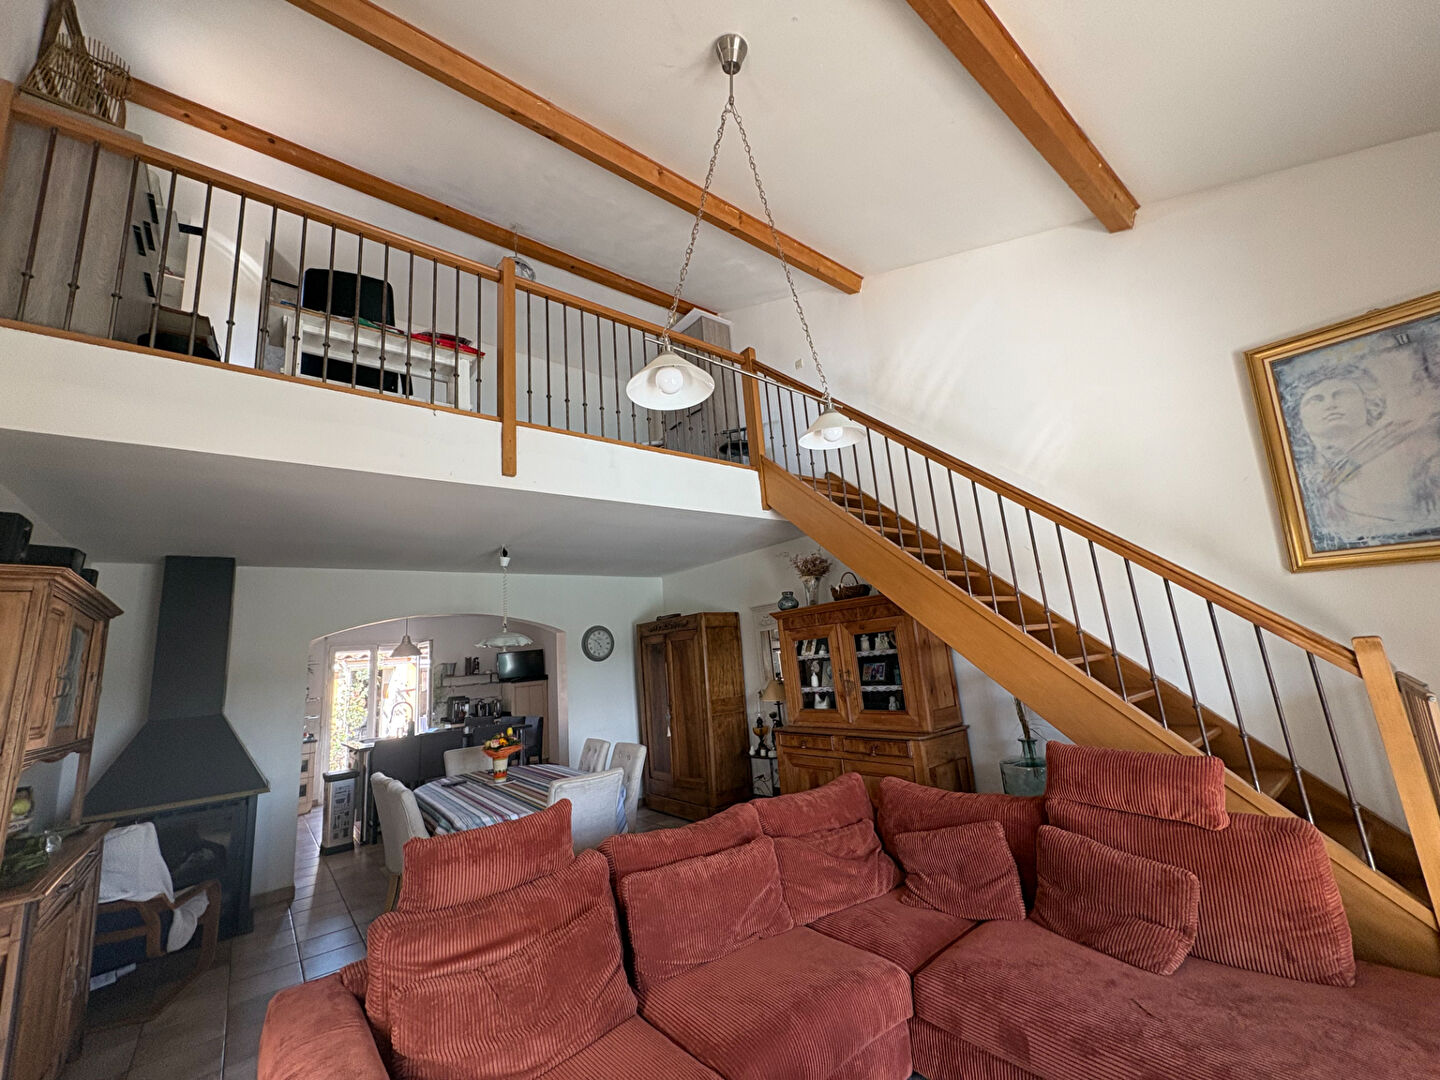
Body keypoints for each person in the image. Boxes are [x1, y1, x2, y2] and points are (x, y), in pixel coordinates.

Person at [1287, 361, 1440, 547]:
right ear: (1299, 417)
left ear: (1369, 402)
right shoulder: (1301, 473)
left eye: (1341, 394)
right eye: (1316, 399)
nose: (1330, 404)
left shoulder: (1414, 449)